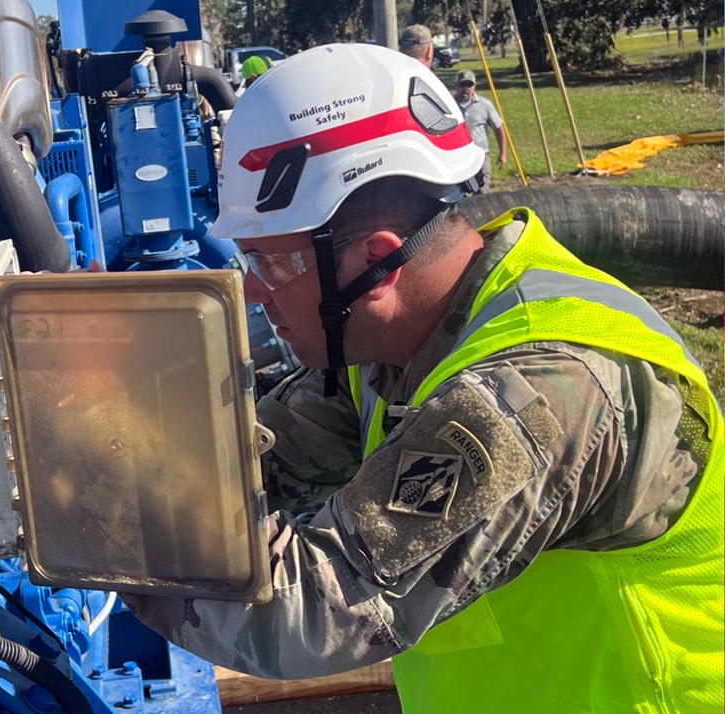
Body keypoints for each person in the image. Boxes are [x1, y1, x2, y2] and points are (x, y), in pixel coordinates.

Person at [121, 43, 723, 713]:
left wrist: (107, 528)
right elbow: (244, 456)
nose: (256, 294)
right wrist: (109, 409)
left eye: (273, 264)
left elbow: (307, 610)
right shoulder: (389, 348)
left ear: (375, 262)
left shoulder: (544, 390)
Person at [454, 68, 507, 193]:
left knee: (482, 192)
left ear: (474, 86)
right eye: (462, 85)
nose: (465, 88)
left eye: (469, 85)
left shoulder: (484, 104)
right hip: (458, 156)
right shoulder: (448, 104)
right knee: (460, 194)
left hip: (481, 155)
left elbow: (499, 127)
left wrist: (503, 153)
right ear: (456, 85)